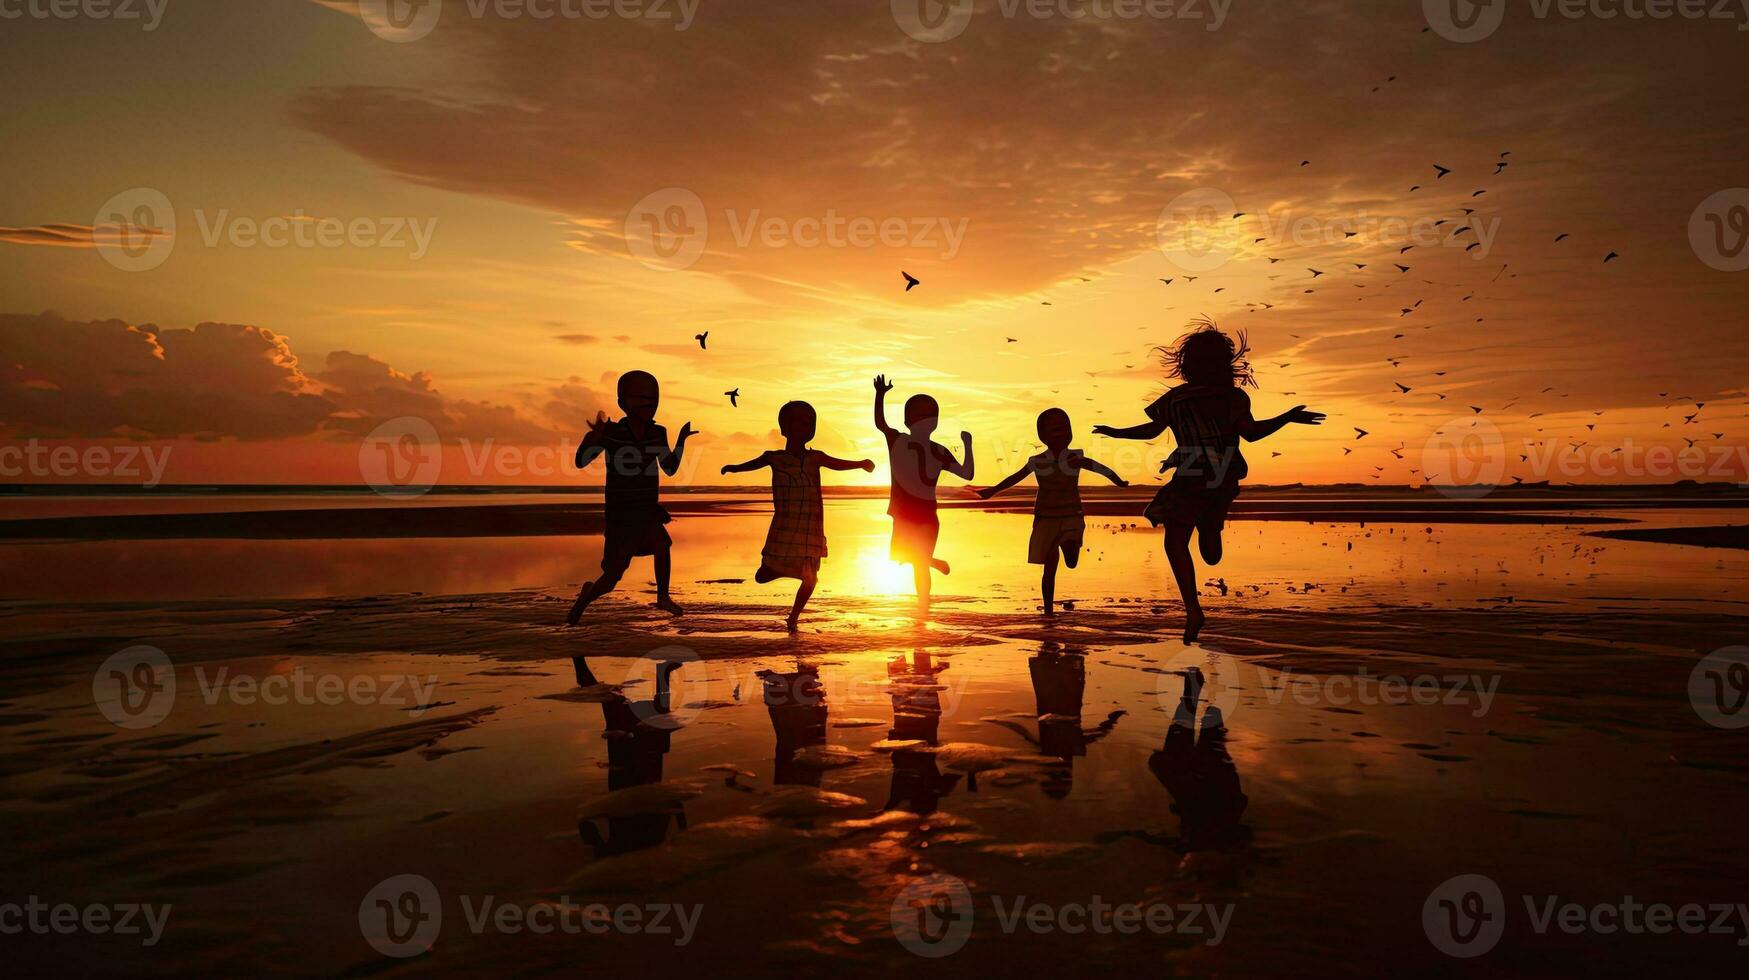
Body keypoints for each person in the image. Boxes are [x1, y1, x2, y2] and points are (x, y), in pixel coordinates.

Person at [1094, 319, 1323, 642]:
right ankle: (1203, 561)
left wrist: (1115, 433)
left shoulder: (1195, 398)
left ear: (1187, 365)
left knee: (1178, 544)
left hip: (1195, 477)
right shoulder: (1228, 397)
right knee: (1198, 548)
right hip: (1220, 479)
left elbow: (1152, 430)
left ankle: (1194, 603)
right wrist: (1286, 417)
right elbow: (1252, 434)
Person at [721, 400, 874, 631]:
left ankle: (793, 617)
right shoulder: (775, 458)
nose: (805, 428)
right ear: (785, 428)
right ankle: (776, 569)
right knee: (762, 576)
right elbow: (753, 464)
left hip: (811, 526)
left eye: (809, 423)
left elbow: (837, 464)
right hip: (785, 524)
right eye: (799, 423)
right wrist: (734, 468)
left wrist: (860, 463)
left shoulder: (816, 458)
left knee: (811, 578)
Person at [567, 370, 696, 625]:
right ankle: (584, 600)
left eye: (652, 398)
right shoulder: (613, 433)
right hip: (621, 513)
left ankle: (662, 597)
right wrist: (593, 439)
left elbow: (669, 467)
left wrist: (681, 441)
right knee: (612, 577)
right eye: (639, 398)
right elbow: (581, 461)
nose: (648, 403)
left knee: (662, 544)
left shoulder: (657, 433)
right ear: (622, 403)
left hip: (647, 509)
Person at [977, 408, 1128, 616]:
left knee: (1072, 561)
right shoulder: (1037, 461)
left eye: (1066, 429)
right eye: (1056, 430)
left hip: (1071, 515)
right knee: (1049, 568)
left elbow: (1098, 467)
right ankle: (1048, 610)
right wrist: (992, 491)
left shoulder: (1075, 457)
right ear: (1043, 436)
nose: (1062, 433)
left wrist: (1118, 481)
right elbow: (1015, 478)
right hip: (1045, 517)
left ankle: (1069, 543)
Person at [872, 374, 974, 608]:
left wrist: (968, 446)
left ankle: (924, 603)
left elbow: (967, 473)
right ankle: (932, 567)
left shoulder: (937, 449)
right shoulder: (898, 440)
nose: (926, 420)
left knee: (913, 562)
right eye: (921, 415)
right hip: (907, 512)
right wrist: (880, 395)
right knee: (903, 557)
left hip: (925, 512)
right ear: (908, 420)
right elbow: (881, 424)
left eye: (931, 416)